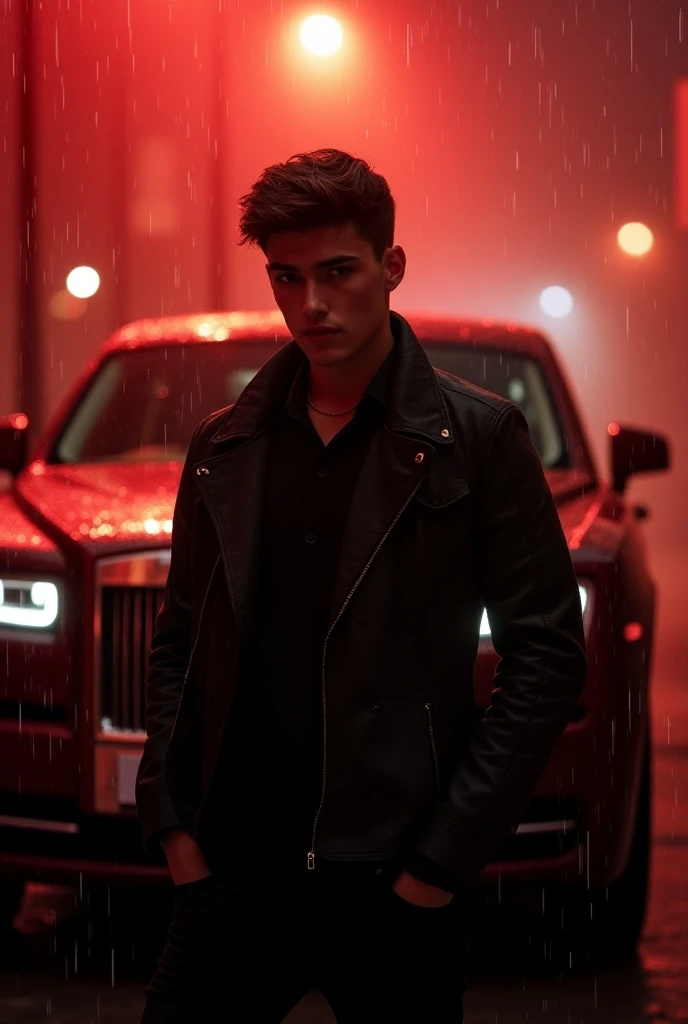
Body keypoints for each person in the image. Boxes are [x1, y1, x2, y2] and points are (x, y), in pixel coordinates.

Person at [136, 148, 587, 1023]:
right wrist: (174, 824)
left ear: (391, 267)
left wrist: (437, 867)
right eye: (286, 277)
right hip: (231, 873)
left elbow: (546, 662)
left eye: (337, 272)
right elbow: (180, 643)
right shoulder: (222, 445)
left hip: (394, 881)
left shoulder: (480, 439)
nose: (311, 303)